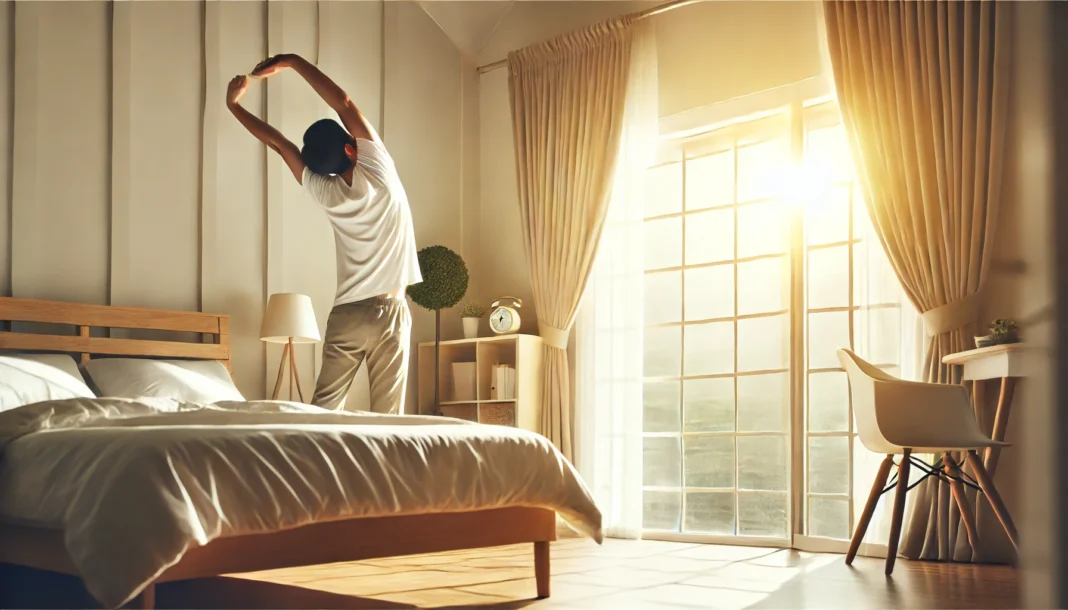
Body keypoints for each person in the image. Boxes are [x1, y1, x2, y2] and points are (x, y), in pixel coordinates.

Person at [226, 54, 421, 414]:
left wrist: (233, 105)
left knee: (322, 414)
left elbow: (281, 145)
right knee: (388, 420)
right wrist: (291, 62)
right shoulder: (378, 170)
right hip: (390, 310)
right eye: (353, 139)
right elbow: (342, 102)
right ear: (351, 147)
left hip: (347, 314)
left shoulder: (326, 192)